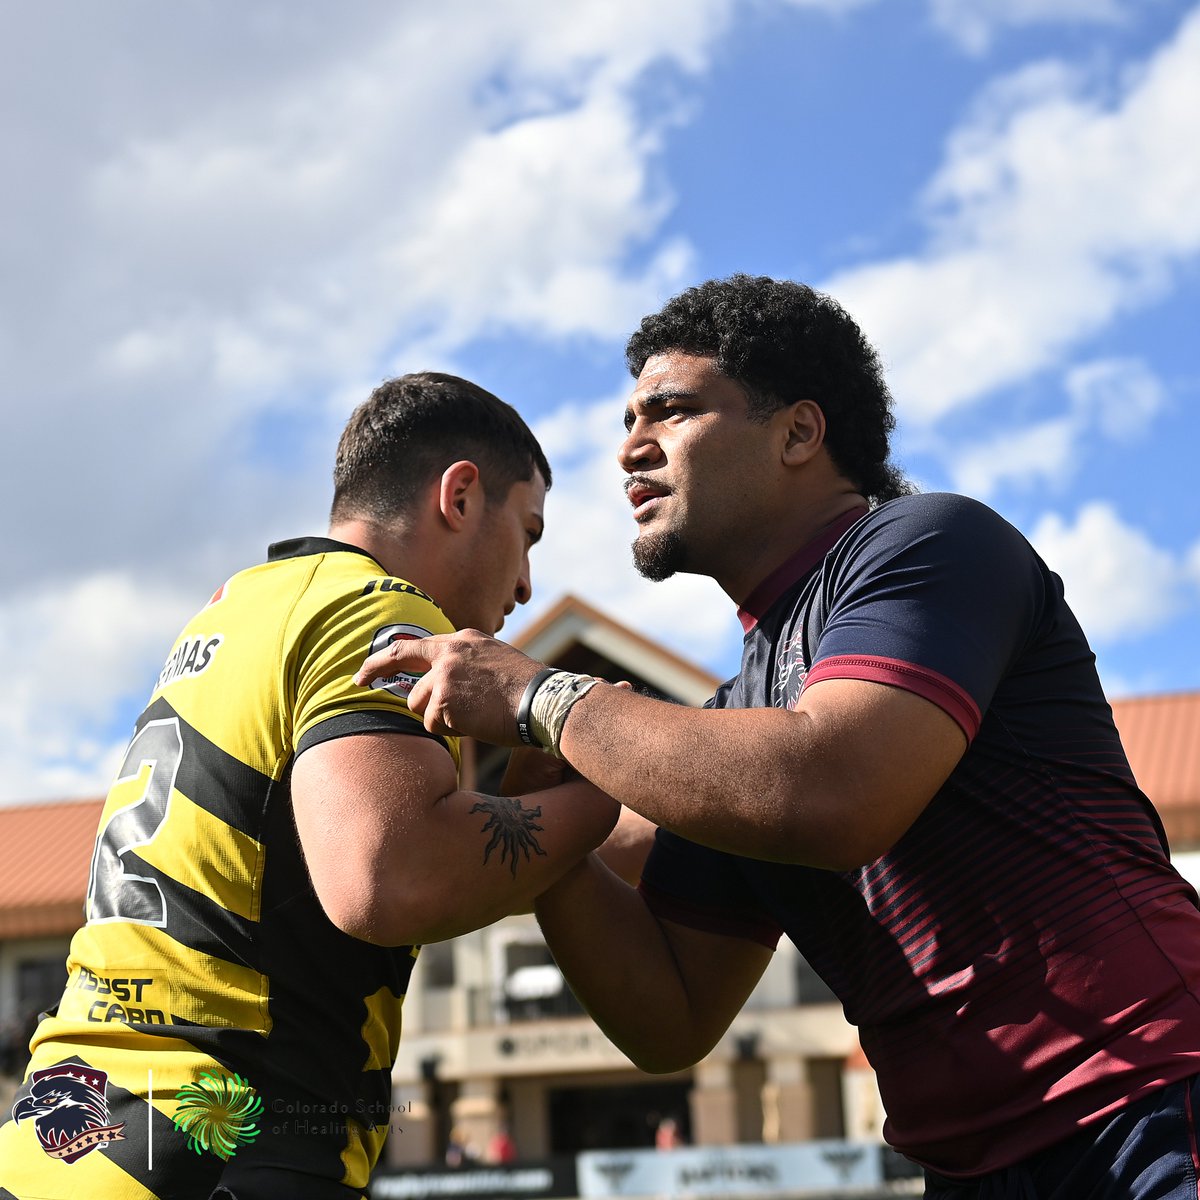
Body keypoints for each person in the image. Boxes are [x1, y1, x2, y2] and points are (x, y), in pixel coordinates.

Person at [356, 277, 1200, 1198]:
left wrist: (541, 696)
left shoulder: (930, 545)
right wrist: (541, 819)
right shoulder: (735, 723)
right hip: (970, 1167)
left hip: (1149, 1104)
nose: (630, 448)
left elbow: (834, 790)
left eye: (670, 411)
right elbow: (671, 1014)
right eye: (628, 419)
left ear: (801, 433)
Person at [0, 373, 619, 1200]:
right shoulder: (378, 611)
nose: (525, 585)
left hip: (57, 1136)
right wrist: (602, 788)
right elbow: (387, 876)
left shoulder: (236, 609)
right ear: (462, 496)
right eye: (529, 534)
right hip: (218, 1147)